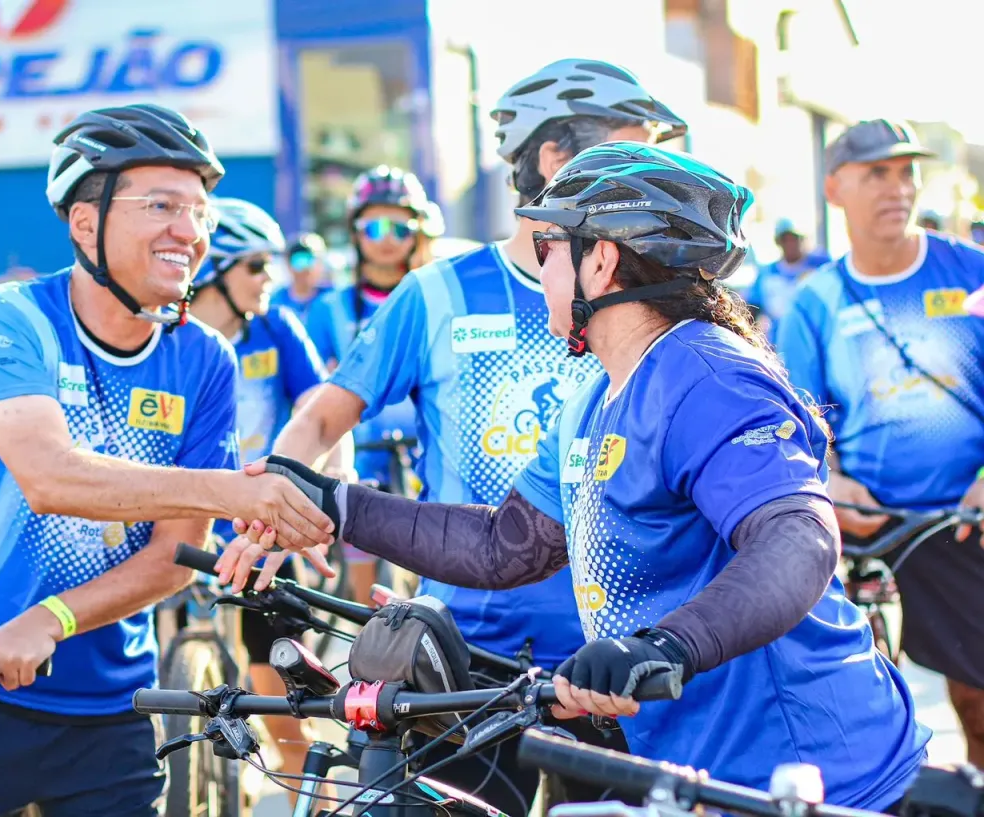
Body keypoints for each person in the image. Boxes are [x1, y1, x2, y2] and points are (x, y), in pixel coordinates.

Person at [220, 142, 931, 811]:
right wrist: (334, 502)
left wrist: (663, 647)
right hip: (699, 769)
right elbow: (508, 544)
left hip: (820, 771)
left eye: (546, 249)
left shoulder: (709, 376)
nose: (538, 273)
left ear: (601, 264)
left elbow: (798, 537)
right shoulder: (594, 396)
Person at [263, 58, 688, 812]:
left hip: (627, 662)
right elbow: (323, 416)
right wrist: (271, 509)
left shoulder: (650, 294)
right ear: (556, 160)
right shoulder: (439, 293)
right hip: (472, 664)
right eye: (635, 151)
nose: (656, 174)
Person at [0, 104, 335, 817]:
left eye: (199, 211)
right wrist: (235, 491)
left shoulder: (202, 357)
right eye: (160, 205)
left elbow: (176, 550)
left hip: (112, 704)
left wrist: (54, 617)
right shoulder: (9, 318)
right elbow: (49, 476)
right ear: (83, 223)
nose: (190, 232)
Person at [776, 118, 984, 766]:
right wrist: (830, 481)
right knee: (872, 719)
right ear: (835, 188)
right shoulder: (815, 302)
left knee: (978, 701)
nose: (898, 188)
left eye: (906, 172)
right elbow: (797, 425)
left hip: (966, 524)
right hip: (875, 535)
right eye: (877, 173)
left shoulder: (970, 271)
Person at [187, 197, 335, 793]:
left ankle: (311, 793)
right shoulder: (172, 337)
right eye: (255, 265)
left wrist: (324, 492)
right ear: (216, 274)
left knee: (274, 670)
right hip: (188, 516)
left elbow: (323, 413)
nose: (269, 278)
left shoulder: (276, 326)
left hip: (260, 525)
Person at [300, 165, 438, 603]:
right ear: (355, 233)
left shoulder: (437, 296)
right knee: (364, 585)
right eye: (373, 226)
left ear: (418, 232)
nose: (386, 237)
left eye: (399, 226)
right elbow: (313, 388)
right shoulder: (329, 308)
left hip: (424, 453)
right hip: (362, 456)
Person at [744, 217, 830, 337]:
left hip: (819, 336)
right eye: (785, 240)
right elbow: (752, 309)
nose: (790, 244)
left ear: (802, 240)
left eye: (794, 239)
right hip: (780, 341)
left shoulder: (821, 266)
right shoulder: (767, 274)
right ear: (778, 242)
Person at [269, 231, 332, 322]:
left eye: (313, 260)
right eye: (300, 261)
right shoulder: (275, 302)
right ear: (288, 264)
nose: (308, 269)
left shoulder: (333, 298)